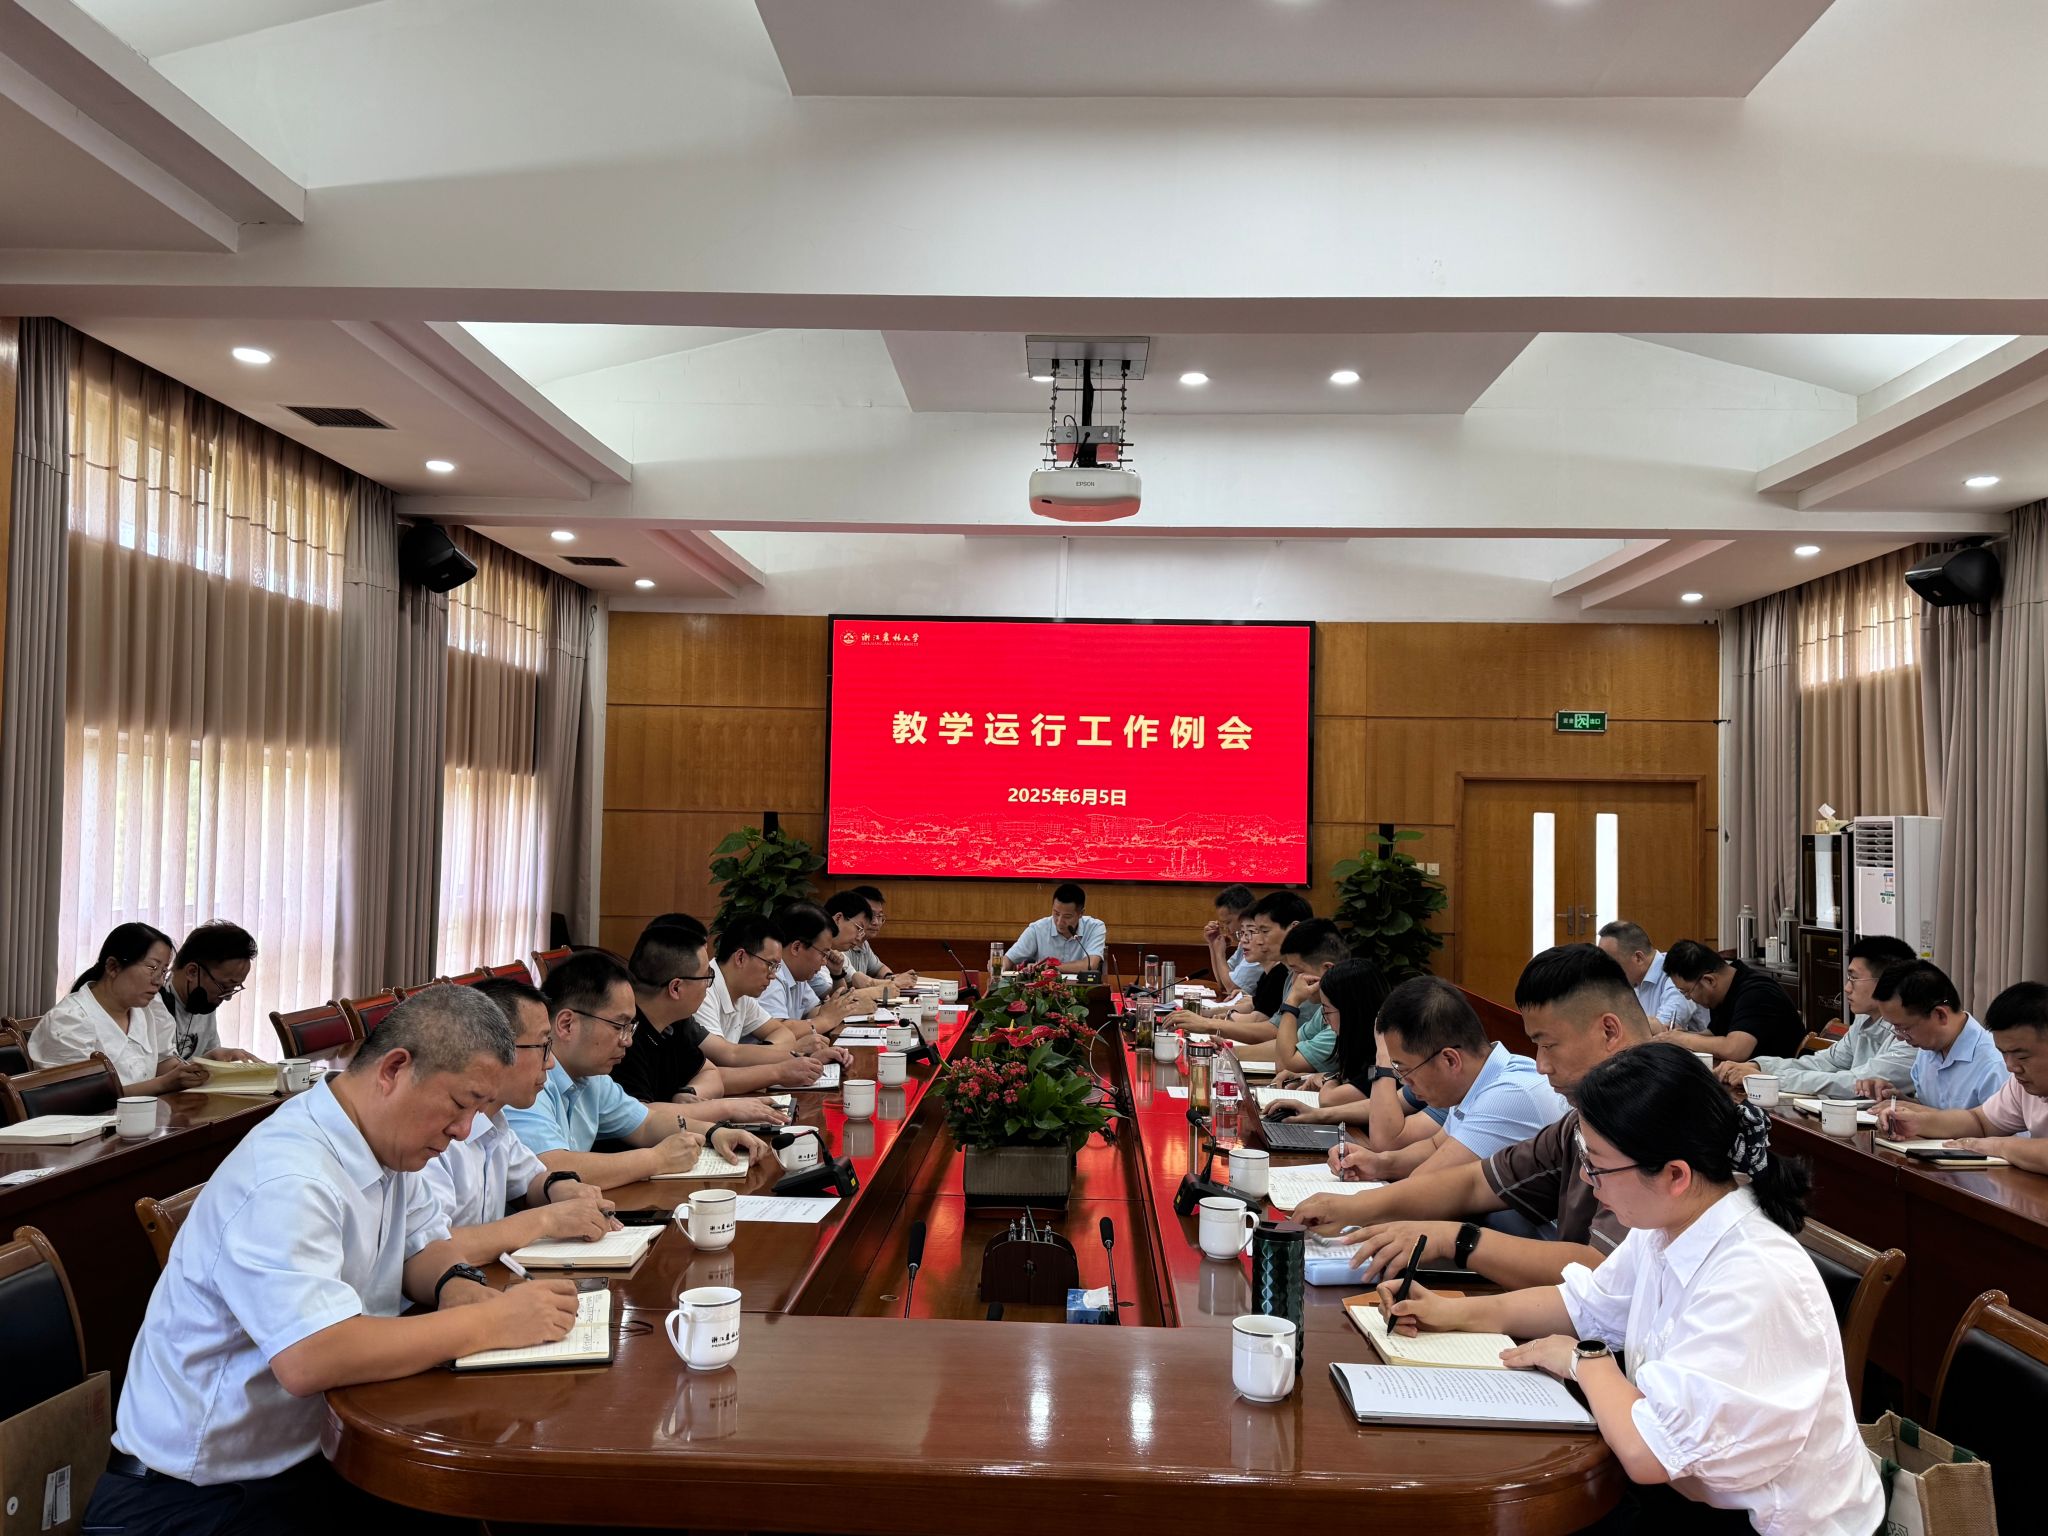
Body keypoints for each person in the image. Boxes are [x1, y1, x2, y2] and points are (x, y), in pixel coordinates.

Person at [85, 985, 584, 1536]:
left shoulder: (382, 1139)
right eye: (461, 1105)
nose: (465, 1130)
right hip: (197, 1499)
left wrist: (461, 1288)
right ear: (394, 1069)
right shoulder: (290, 1175)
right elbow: (312, 1356)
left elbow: (425, 1244)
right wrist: (491, 1322)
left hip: (315, 1452)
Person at [1378, 1047, 1882, 1536]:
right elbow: (1581, 1305)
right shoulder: (1667, 1223)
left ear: (1675, 1175)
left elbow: (1649, 1452)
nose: (1587, 1178)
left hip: (1767, 1523)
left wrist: (1582, 1360)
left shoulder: (1751, 1276)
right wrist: (1453, 1313)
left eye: (1597, 1164)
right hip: (1689, 1497)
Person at [1293, 944, 1653, 1289]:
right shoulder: (1581, 1119)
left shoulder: (1655, 1114)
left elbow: (1604, 1271)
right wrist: (1350, 1207)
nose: (1541, 1065)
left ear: (1608, 1031)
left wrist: (1455, 1239)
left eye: (1548, 1045)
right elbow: (1474, 1182)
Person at [504, 950, 771, 1189]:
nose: (628, 1041)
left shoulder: (592, 1078)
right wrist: (656, 1159)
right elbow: (550, 1167)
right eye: (618, 1026)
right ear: (566, 1025)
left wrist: (714, 1132)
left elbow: (645, 1123)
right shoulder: (527, 1078)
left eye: (630, 1027)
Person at [418, 976, 619, 1263]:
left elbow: (529, 1179)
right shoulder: (434, 1133)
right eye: (543, 1046)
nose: (550, 1062)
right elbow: (430, 1248)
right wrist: (546, 1220)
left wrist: (562, 1188)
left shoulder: (495, 1120)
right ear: (495, 1050)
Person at [1337, 977, 1568, 1181]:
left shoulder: (1510, 1094)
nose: (1405, 1082)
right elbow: (1435, 1146)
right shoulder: (1480, 1077)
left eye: (1404, 1070)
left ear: (1449, 1060)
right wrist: (1378, 1164)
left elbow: (1422, 1183)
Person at [614, 920, 827, 1115]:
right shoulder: (624, 1036)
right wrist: (725, 1108)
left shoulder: (676, 1023)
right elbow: (639, 1117)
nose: (709, 984)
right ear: (676, 988)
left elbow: (711, 1074)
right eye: (706, 977)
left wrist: (689, 1094)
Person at [1716, 934, 1918, 1099]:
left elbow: (1855, 1083)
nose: (1847, 988)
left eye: (1854, 978)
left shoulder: (1912, 1035)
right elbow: (1826, 1063)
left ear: (1885, 982)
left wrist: (1769, 1079)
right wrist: (1759, 1066)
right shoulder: (1864, 1019)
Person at [1879, 982, 2048, 1172]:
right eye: (2003, 1053)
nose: (2010, 1066)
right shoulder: (2020, 1085)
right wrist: (1918, 1123)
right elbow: (1980, 1121)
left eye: (2022, 1057)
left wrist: (1998, 1146)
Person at [29, 922, 207, 1096]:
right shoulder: (69, 1021)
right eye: (152, 968)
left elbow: (163, 1061)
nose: (159, 981)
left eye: (163, 971)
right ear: (113, 967)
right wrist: (163, 1084)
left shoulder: (149, 1009)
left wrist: (196, 1070)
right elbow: (83, 1099)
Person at [1859, 959, 2003, 1110]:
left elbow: (1996, 1124)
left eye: (1904, 1028)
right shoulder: (1927, 1050)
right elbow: (1929, 1108)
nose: (1899, 1037)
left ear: (1940, 1015)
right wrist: (1897, 1101)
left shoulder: (1994, 1065)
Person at [1659, 939, 1806, 1063]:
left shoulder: (1757, 992)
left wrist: (1683, 1039)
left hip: (1777, 1081)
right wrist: (1678, 1036)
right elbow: (1715, 1035)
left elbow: (1735, 1050)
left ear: (1709, 980)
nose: (1688, 998)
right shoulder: (1726, 990)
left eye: (1687, 992)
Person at [159, 920, 262, 1062]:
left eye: (234, 989)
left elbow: (210, 1056)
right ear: (192, 972)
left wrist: (220, 1057)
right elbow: (152, 1072)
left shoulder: (202, 1001)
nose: (227, 998)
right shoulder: (154, 1005)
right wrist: (208, 1060)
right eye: (224, 987)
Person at [759, 904, 864, 1040]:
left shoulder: (798, 975)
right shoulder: (771, 976)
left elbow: (814, 1012)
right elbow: (776, 1031)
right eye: (823, 953)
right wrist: (825, 1021)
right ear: (796, 947)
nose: (825, 962)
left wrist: (836, 1011)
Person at [1268, 918, 1350, 1075]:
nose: (1294, 982)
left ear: (1327, 969)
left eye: (1298, 972)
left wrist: (1292, 1002)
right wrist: (1229, 1049)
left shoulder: (1345, 1015)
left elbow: (1284, 1066)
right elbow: (1288, 1046)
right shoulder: (1326, 1007)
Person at [1596, 920, 1708, 1032]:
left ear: (1638, 958)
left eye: (1612, 964)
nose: (1608, 971)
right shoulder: (1630, 980)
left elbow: (1664, 1028)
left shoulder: (1676, 971)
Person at [1005, 882, 1107, 975]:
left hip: (1083, 988)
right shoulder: (1037, 929)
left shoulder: (1095, 927)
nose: (1059, 922)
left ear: (1081, 913)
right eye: (1056, 913)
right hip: (1045, 988)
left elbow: (1090, 965)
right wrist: (999, 969)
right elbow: (1008, 959)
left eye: (1067, 916)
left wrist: (1050, 968)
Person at [1204, 883, 1263, 998]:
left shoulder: (1259, 944)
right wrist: (1213, 944)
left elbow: (1231, 987)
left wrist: (1219, 953)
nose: (1226, 929)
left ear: (1244, 914)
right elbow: (1222, 982)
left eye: (1228, 922)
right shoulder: (1243, 942)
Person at [843, 885, 893, 977]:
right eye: (870, 915)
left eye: (879, 916)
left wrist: (891, 978)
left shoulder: (864, 943)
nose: (876, 922)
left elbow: (880, 968)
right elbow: (858, 981)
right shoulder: (841, 945)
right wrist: (893, 981)